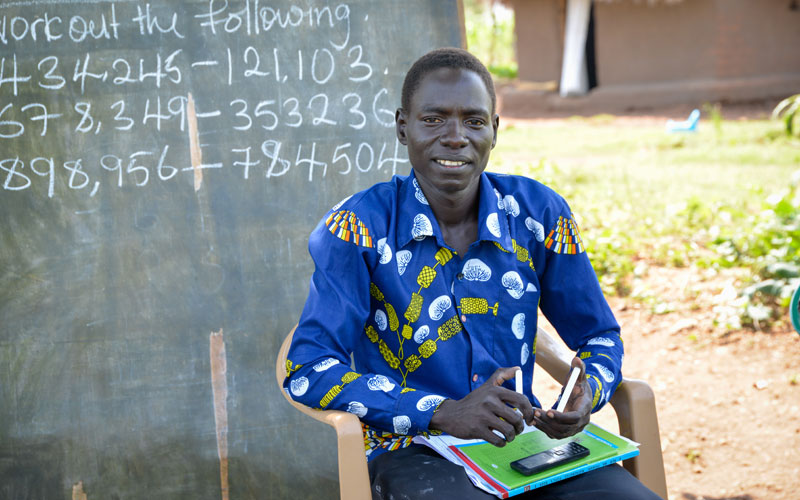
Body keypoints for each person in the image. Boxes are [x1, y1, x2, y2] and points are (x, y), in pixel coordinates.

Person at [284, 48, 660, 499]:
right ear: (403, 127)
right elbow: (307, 368)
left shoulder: (538, 215)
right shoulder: (358, 228)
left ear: (495, 131)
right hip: (412, 449)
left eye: (475, 121)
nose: (456, 137)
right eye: (434, 119)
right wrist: (441, 411)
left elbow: (600, 336)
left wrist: (587, 391)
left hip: (523, 444)